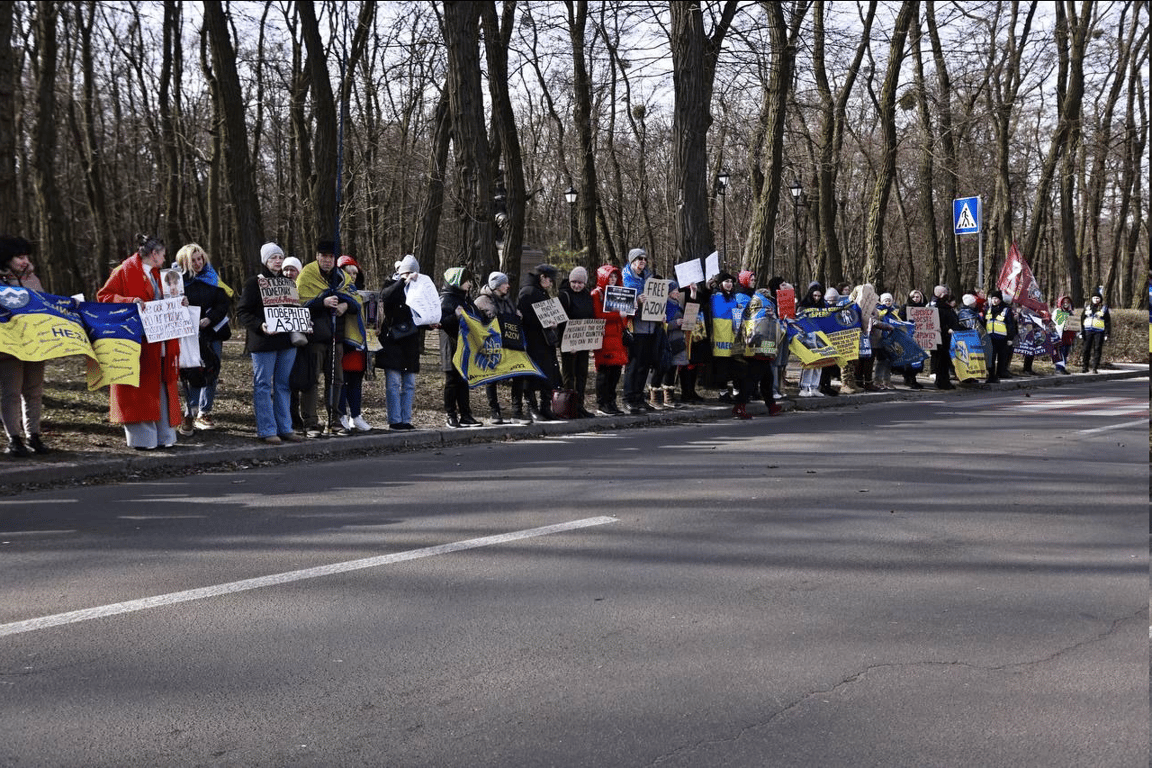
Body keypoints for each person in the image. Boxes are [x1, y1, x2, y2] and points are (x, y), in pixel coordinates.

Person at [96, 235, 183, 450]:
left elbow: (168, 299)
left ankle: (165, 435)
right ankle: (144, 439)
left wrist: (180, 301)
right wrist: (129, 301)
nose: (164, 259)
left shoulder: (160, 275)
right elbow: (104, 297)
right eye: (162, 255)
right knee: (139, 391)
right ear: (154, 254)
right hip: (137, 342)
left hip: (160, 340)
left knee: (162, 387)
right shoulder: (123, 271)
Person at [235, 242, 304, 444]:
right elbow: (242, 312)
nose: (278, 260)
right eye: (273, 257)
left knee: (283, 385)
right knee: (263, 385)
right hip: (264, 342)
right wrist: (260, 326)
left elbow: (293, 309)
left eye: (280, 257)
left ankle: (285, 428)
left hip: (286, 342)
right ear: (265, 260)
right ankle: (267, 429)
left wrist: (302, 320)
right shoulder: (253, 283)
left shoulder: (289, 283)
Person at [297, 239, 361, 437]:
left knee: (336, 380)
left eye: (330, 257)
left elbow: (355, 298)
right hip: (315, 335)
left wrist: (345, 305)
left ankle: (335, 420)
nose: (326, 260)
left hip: (336, 336)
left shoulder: (341, 276)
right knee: (311, 380)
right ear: (317, 256)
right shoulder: (307, 274)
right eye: (323, 256)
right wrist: (321, 302)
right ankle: (311, 422)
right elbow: (300, 302)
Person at [0, 235, 50, 456]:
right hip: (8, 349)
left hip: (35, 345)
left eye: (26, 256)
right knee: (10, 392)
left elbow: (44, 305)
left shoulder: (33, 278)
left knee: (34, 391)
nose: (24, 260)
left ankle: (34, 435)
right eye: (19, 256)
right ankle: (14, 438)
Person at [173, 243, 231, 434]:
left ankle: (204, 412)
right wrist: (181, 303)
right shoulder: (177, 281)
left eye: (200, 259)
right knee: (193, 372)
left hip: (212, 331)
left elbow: (223, 303)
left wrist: (210, 318)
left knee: (212, 370)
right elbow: (171, 305)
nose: (198, 263)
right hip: (190, 334)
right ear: (185, 262)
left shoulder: (212, 277)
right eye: (193, 260)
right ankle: (190, 411)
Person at [376, 255, 424, 431]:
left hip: (410, 341)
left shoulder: (419, 288)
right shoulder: (391, 284)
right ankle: (395, 420)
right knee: (394, 383)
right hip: (393, 341)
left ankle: (406, 419)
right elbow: (386, 297)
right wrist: (403, 282)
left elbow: (423, 311)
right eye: (408, 272)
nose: (412, 275)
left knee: (409, 383)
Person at [475, 270, 526, 424]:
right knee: (492, 378)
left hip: (511, 344)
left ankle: (517, 412)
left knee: (519, 374)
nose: (508, 286)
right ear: (495, 286)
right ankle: (494, 412)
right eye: (504, 284)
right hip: (493, 345)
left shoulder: (507, 300)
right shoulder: (482, 301)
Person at [517, 263, 563, 421]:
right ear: (542, 277)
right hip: (533, 340)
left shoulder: (539, 291)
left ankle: (545, 406)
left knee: (548, 374)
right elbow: (526, 318)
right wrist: (545, 323)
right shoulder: (528, 292)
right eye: (550, 280)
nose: (551, 284)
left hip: (545, 341)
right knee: (532, 375)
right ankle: (532, 407)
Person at [440, 266, 482, 428]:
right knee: (452, 381)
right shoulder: (446, 299)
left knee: (464, 380)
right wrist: (455, 316)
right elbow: (441, 323)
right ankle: (451, 415)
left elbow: (476, 315)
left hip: (465, 345)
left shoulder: (465, 298)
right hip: (451, 345)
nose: (469, 284)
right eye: (466, 281)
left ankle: (466, 415)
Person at [335, 255, 371, 432]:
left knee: (356, 381)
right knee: (341, 380)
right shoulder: (336, 291)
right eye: (348, 273)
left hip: (360, 344)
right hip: (342, 342)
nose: (353, 276)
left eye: (355, 273)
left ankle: (355, 416)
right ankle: (341, 415)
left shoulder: (362, 294)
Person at [558, 266, 596, 418]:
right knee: (569, 375)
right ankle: (569, 406)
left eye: (580, 283)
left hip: (584, 341)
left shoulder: (587, 295)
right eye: (574, 282)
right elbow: (561, 321)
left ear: (585, 283)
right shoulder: (564, 295)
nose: (576, 285)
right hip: (568, 342)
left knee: (582, 374)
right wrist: (569, 342)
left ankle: (580, 405)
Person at [590, 264, 628, 415]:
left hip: (617, 337)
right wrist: (618, 315)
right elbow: (598, 316)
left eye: (615, 277)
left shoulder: (618, 293)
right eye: (610, 277)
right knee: (605, 371)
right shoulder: (596, 294)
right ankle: (602, 403)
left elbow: (624, 316)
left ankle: (611, 402)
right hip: (604, 337)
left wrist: (630, 312)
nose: (612, 279)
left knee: (616, 371)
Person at [929, 285, 960, 390]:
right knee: (941, 360)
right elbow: (939, 322)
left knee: (945, 360)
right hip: (942, 337)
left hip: (946, 337)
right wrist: (947, 329)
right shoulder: (938, 308)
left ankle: (944, 381)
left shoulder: (945, 307)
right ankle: (941, 382)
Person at [982, 289, 1017, 383]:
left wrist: (1010, 338)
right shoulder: (988, 310)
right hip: (990, 338)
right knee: (991, 358)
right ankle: (991, 376)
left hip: (1002, 338)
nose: (994, 300)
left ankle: (1001, 373)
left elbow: (1010, 325)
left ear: (1000, 299)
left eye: (996, 298)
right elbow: (984, 323)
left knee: (1002, 358)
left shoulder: (1006, 310)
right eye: (993, 298)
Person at [896, 289, 927, 389]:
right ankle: (909, 379)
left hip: (921, 337)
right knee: (910, 359)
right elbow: (900, 320)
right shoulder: (905, 307)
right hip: (908, 336)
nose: (915, 299)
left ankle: (912, 378)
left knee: (919, 360)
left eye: (918, 297)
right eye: (913, 297)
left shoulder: (925, 308)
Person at [1079, 291, 1110, 373]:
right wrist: (1082, 331)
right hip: (1088, 331)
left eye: (1098, 298)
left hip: (1099, 331)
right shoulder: (1087, 307)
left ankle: (1094, 367)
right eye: (1094, 298)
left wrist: (1107, 333)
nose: (1096, 299)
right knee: (1086, 349)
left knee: (1097, 349)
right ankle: (1085, 367)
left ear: (1100, 299)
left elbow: (1107, 321)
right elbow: (1082, 319)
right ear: (1092, 299)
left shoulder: (1104, 308)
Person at [1052, 294, 1076, 374]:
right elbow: (1055, 322)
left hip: (1067, 335)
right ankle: (1058, 368)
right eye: (1064, 302)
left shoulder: (1070, 312)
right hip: (1060, 334)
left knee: (1065, 352)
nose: (1066, 304)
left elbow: (1074, 323)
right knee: (1060, 352)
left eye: (1068, 302)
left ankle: (1063, 367)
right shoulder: (1058, 311)